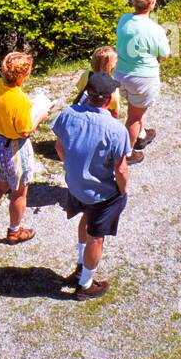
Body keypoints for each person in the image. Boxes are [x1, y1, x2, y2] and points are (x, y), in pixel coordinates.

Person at [51, 71, 130, 301]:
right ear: (108, 99)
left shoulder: (67, 114)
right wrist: (122, 192)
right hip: (101, 194)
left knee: (85, 218)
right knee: (97, 236)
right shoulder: (115, 129)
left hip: (75, 187)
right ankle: (85, 284)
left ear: (88, 93)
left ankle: (79, 264)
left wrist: (72, 168)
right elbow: (121, 169)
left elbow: (59, 147)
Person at [0, 50, 51, 246]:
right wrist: (41, 116)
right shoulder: (19, 99)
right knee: (19, 191)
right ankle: (15, 231)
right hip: (14, 149)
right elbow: (25, 131)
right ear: (23, 75)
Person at [115, 0, 171, 165]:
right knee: (134, 116)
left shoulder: (124, 19)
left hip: (121, 73)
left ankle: (141, 134)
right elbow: (164, 54)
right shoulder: (155, 30)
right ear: (153, 3)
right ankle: (127, 152)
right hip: (143, 77)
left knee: (136, 107)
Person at [72, 45, 121, 119]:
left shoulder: (86, 75)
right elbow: (115, 111)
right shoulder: (111, 84)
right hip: (101, 116)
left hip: (84, 112)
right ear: (111, 66)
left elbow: (80, 91)